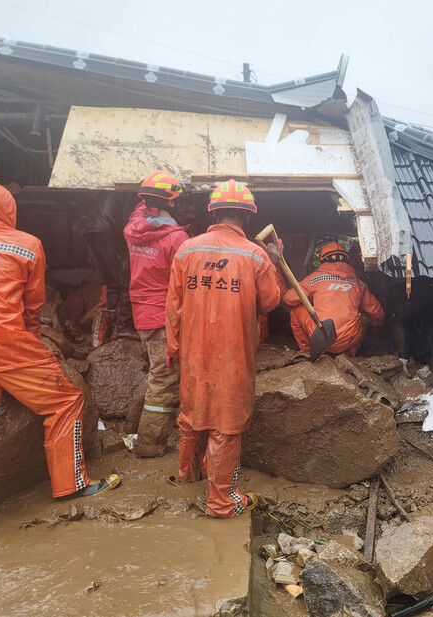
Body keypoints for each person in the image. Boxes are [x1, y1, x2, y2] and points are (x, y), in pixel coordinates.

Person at [0, 182, 119, 540]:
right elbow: (32, 307)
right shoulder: (26, 244)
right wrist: (35, 344)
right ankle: (70, 484)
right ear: (8, 209)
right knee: (67, 399)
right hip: (7, 345)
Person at [165, 179, 282, 518]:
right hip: (233, 351)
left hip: (191, 350)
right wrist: (274, 261)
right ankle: (221, 501)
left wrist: (172, 348)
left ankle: (187, 474)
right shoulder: (255, 255)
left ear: (213, 212)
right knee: (226, 424)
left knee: (192, 412)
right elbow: (271, 302)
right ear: (247, 217)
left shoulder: (187, 249)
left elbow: (174, 305)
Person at [123, 172, 190, 455]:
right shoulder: (177, 238)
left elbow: (142, 207)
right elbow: (186, 284)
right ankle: (149, 443)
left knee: (157, 371)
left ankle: (131, 426)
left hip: (142, 313)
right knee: (165, 379)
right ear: (171, 203)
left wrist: (149, 196)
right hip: (164, 316)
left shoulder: (134, 228)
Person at [284, 241, 385, 356]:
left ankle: (307, 350)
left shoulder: (315, 279)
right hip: (349, 339)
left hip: (320, 336)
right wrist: (375, 325)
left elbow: (289, 299)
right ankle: (350, 353)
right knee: (362, 321)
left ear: (323, 260)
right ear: (346, 260)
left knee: (296, 310)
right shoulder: (359, 284)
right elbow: (377, 313)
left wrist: (291, 286)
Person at [83, 192, 137, 341]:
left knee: (111, 282)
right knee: (125, 279)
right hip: (110, 230)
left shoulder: (108, 188)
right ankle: (124, 327)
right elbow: (128, 220)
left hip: (91, 229)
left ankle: (116, 325)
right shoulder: (131, 192)